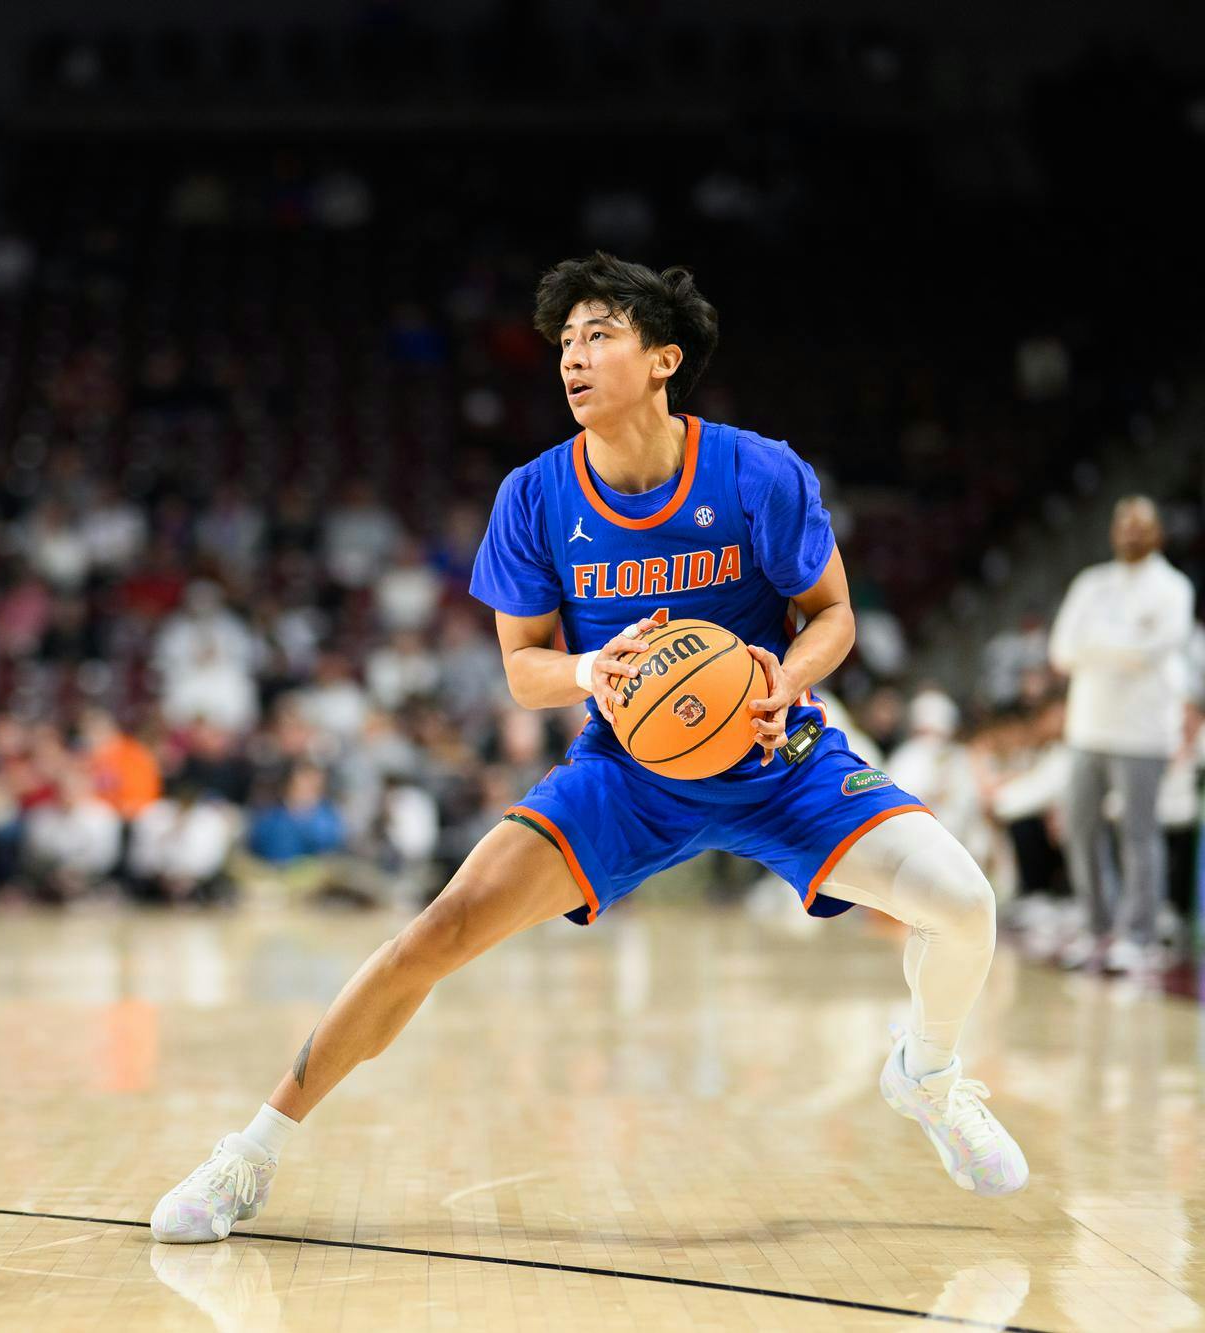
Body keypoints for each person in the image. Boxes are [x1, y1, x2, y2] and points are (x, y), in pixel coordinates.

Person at [151, 253, 1027, 1246]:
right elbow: (522, 665)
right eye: (562, 341)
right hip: (626, 774)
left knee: (962, 904)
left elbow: (827, 614)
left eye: (596, 334)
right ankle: (248, 1154)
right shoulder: (533, 497)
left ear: (661, 360)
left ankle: (928, 1074)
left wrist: (786, 678)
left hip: (773, 755)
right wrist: (585, 672)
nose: (570, 356)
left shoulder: (756, 471)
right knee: (430, 936)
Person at [1047, 495, 1196, 975]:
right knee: (1081, 829)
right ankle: (1097, 929)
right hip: (1087, 726)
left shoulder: (1173, 588)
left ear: (1157, 532)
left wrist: (1098, 646)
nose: (1132, 532)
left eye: (1141, 525)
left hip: (1143, 732)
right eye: (1124, 524)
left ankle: (1141, 936)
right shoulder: (1093, 584)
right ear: (1114, 530)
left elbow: (1156, 650)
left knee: (1138, 834)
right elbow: (1062, 651)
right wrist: (1123, 646)